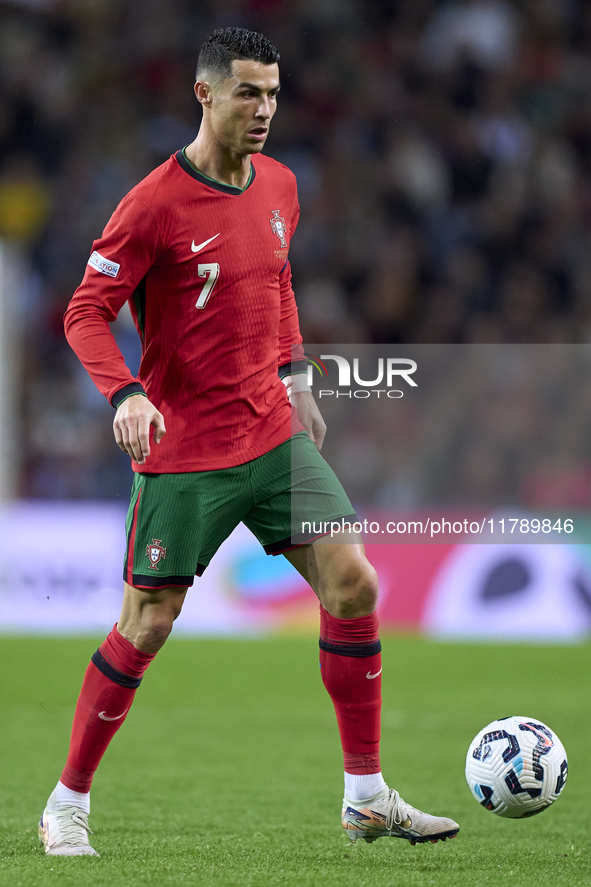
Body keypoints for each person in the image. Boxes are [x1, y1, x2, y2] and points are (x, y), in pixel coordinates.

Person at [39, 26, 459, 857]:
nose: (264, 108)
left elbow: (277, 278)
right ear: (204, 94)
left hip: (271, 434)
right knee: (148, 624)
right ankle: (66, 802)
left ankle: (366, 795)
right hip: (185, 451)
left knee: (353, 583)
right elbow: (84, 312)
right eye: (246, 92)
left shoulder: (280, 185)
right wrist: (123, 391)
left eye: (272, 92)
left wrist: (297, 373)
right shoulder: (153, 203)